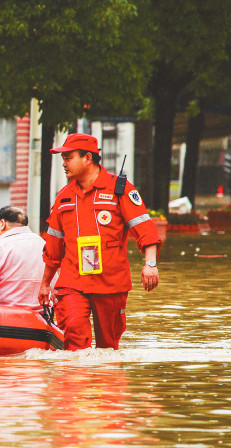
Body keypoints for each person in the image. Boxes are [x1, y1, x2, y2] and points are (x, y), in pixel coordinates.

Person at [38, 133, 161, 350]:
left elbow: (145, 229)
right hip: (73, 281)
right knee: (74, 333)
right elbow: (54, 246)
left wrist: (150, 264)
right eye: (63, 159)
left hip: (111, 282)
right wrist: (46, 283)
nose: (64, 164)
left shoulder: (120, 189)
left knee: (108, 346)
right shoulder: (63, 197)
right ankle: (77, 373)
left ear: (88, 158)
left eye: (68, 158)